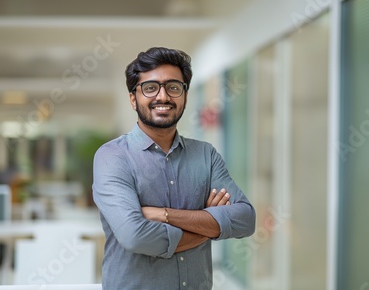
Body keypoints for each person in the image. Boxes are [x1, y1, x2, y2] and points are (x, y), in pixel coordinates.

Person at [92, 47, 256, 289]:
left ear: (185, 97)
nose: (163, 96)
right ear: (132, 99)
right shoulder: (113, 156)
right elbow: (135, 236)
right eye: (150, 87)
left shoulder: (205, 155)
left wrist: (163, 215)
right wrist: (206, 224)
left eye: (173, 87)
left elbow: (245, 219)